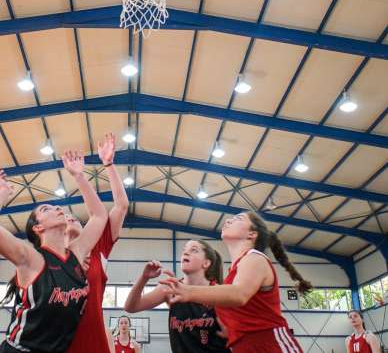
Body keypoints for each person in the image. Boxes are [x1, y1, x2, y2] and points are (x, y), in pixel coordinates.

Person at [0, 151, 108, 353]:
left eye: (56, 207)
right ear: (38, 227)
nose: (57, 208)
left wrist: (79, 176)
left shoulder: (75, 254)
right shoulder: (31, 258)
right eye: (46, 209)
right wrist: (3, 192)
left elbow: (99, 216)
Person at [161, 211, 312, 353]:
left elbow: (239, 294)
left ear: (252, 234)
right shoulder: (233, 275)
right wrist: (231, 331)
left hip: (270, 344)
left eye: (238, 218)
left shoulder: (255, 258)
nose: (228, 220)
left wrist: (187, 291)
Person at [66, 133, 129, 353]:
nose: (70, 218)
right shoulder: (53, 257)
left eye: (75, 218)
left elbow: (121, 205)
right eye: (66, 217)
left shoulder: (98, 247)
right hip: (59, 338)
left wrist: (108, 164)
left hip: (93, 338)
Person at [125, 240, 229, 353]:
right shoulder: (170, 288)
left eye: (194, 250)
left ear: (206, 263)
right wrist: (144, 278)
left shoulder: (218, 292)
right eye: (184, 250)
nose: (186, 253)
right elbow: (131, 307)